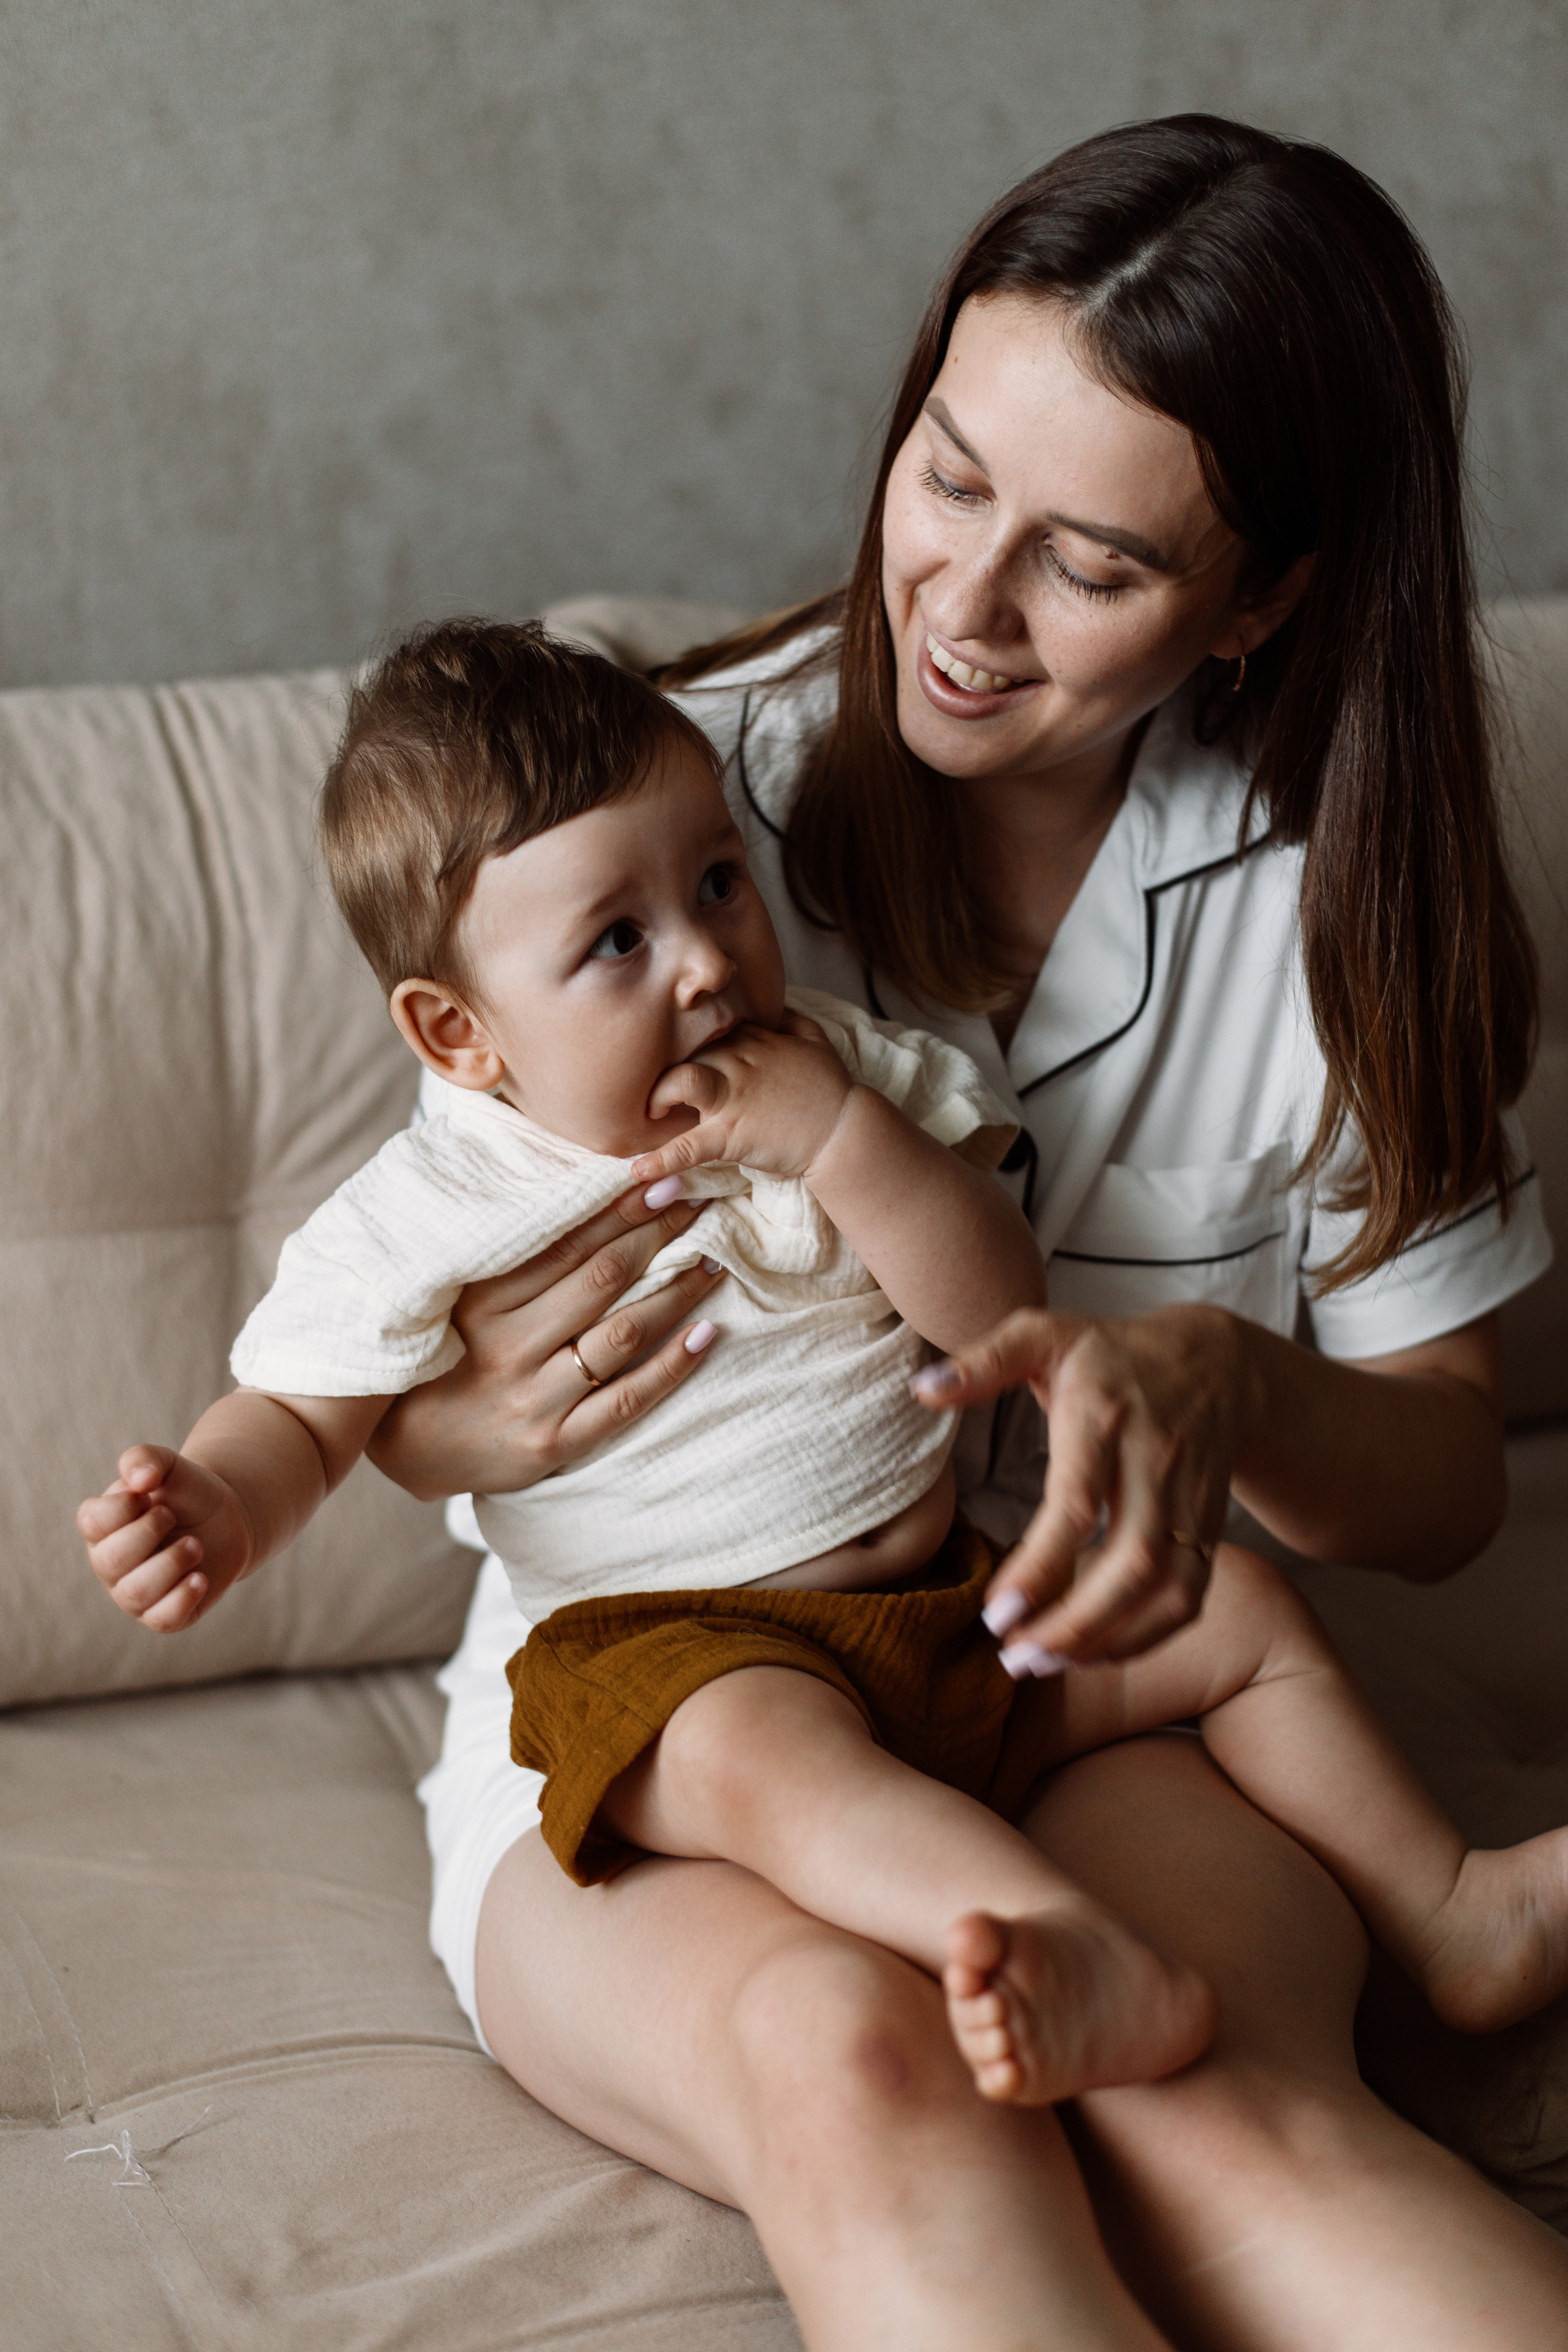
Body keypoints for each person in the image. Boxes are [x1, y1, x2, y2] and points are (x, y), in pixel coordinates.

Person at [375, 117, 1568, 2346]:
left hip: (1091, 1701)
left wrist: (1244, 1390)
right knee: (869, 2064)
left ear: (1265, 596)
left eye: (1090, 563)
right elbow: (400, 1360)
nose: (958, 602)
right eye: (947, 475)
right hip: (686, 1691)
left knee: (1223, 2104)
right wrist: (457, 1420)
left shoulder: (1353, 900)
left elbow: (1434, 1483)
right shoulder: (658, 818)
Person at [76, 616, 1568, 2140]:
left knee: (1238, 1616)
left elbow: (996, 1305)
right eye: (618, 942)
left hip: (945, 1605)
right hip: (679, 1652)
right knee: (765, 1760)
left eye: (718, 882)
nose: (710, 959)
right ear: (458, 1034)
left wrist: (840, 1141)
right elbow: (304, 1414)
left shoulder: (836, 1067)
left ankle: (1446, 1911)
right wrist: (216, 1502)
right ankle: (1068, 1947)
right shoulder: (436, 1201)